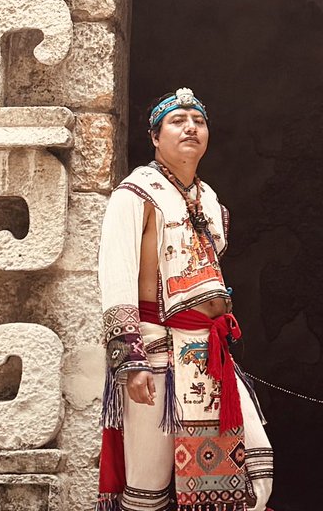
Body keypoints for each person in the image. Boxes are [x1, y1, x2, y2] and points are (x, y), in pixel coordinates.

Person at [96, 87, 274, 511]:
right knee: (150, 485)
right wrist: (130, 360)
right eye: (177, 121)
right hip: (156, 349)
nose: (190, 127)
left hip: (208, 350)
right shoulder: (135, 193)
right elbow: (116, 273)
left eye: (198, 121)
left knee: (250, 472)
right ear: (155, 137)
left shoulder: (210, 200)